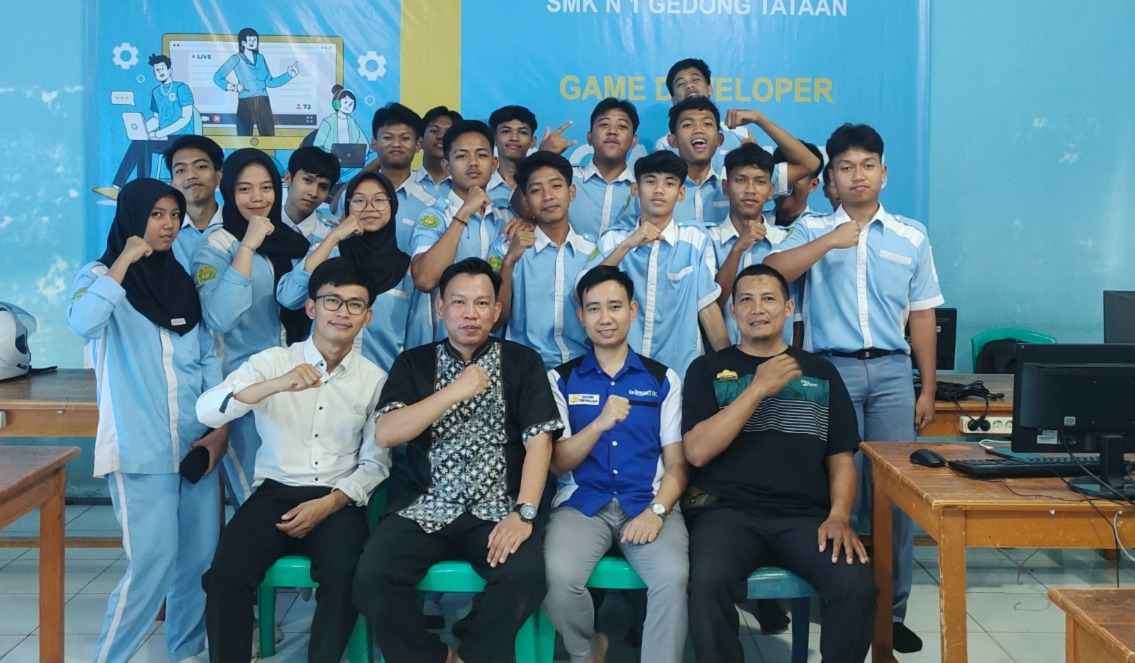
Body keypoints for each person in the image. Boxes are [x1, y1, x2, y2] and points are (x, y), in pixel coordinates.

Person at [764, 123, 944, 654]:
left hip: (892, 374)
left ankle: (891, 613)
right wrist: (829, 241)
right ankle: (839, 601)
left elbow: (923, 316)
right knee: (832, 490)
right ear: (832, 179)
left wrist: (927, 388)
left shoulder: (911, 235)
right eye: (845, 167)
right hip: (829, 372)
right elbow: (770, 271)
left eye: (867, 166)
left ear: (883, 173)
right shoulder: (813, 226)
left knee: (894, 495)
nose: (857, 175)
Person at [352, 257, 563, 663]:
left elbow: (540, 442)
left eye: (482, 303)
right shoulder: (414, 363)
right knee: (371, 577)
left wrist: (524, 513)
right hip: (425, 506)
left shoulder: (523, 362)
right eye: (459, 302)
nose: (471, 313)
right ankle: (435, 658)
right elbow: (388, 432)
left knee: (525, 577)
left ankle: (473, 656)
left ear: (496, 311)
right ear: (440, 308)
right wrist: (453, 391)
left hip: (497, 508)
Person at [683, 263, 877, 663]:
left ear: (788, 308)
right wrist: (757, 388)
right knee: (706, 583)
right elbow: (697, 452)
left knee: (856, 586)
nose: (757, 309)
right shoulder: (706, 370)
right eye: (746, 300)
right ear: (732, 311)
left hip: (804, 517)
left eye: (768, 299)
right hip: (726, 513)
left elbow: (841, 458)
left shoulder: (821, 372)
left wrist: (839, 515)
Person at [198, 258, 390, 663]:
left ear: (367, 317)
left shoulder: (374, 380)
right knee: (225, 575)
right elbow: (208, 410)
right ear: (311, 307)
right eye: (332, 301)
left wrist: (331, 503)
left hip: (336, 499)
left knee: (346, 574)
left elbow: (376, 464)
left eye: (355, 304)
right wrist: (274, 385)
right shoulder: (272, 362)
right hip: (274, 493)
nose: (342, 312)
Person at [67, 178, 227, 663]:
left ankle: (186, 653)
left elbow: (205, 358)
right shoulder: (99, 275)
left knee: (198, 562)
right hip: (141, 450)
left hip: (195, 447)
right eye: (157, 214)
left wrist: (218, 429)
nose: (168, 224)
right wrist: (124, 262)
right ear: (133, 218)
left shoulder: (179, 280)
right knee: (152, 565)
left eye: (174, 215)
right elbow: (84, 323)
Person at [544, 265, 689, 663]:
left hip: (646, 502)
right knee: (558, 577)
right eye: (593, 309)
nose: (604, 318)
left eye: (614, 306)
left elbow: (677, 466)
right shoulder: (561, 379)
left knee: (672, 578)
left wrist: (657, 512)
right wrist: (599, 424)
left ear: (632, 310)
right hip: (581, 504)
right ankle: (586, 651)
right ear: (581, 316)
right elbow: (558, 462)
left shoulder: (663, 379)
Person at [192, 148, 310, 504]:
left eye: (266, 187)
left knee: (296, 493)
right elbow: (220, 316)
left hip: (295, 385)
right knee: (254, 499)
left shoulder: (292, 241)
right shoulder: (216, 246)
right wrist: (247, 246)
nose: (257, 198)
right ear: (228, 191)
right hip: (244, 389)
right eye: (244, 189)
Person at [591, 150, 729, 378]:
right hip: (620, 373)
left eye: (669, 183)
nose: (659, 190)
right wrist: (627, 245)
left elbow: (706, 306)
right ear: (635, 189)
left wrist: (731, 366)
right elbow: (583, 292)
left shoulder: (695, 239)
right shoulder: (613, 240)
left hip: (681, 373)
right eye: (650, 181)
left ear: (681, 193)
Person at [278, 172, 426, 371]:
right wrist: (333, 237)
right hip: (319, 377)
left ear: (393, 206)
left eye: (379, 200)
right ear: (347, 207)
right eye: (358, 200)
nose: (369, 207)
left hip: (384, 379)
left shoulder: (407, 270)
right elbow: (290, 298)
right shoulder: (328, 253)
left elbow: (418, 340)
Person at [488, 151, 595, 369]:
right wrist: (508, 263)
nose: (548, 196)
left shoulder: (592, 251)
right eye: (536, 190)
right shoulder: (505, 248)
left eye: (556, 186)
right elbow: (493, 320)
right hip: (524, 369)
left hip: (582, 369)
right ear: (525, 201)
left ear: (571, 192)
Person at [409, 120, 515, 329]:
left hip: (493, 340)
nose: (473, 163)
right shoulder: (436, 217)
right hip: (442, 341)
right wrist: (464, 212)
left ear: (494, 164)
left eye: (481, 155)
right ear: (446, 166)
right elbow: (425, 280)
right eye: (461, 156)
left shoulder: (507, 218)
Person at [709, 143, 803, 348]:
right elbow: (712, 304)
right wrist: (737, 249)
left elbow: (797, 313)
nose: (750, 190)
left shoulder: (787, 240)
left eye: (760, 181)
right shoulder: (707, 239)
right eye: (740, 180)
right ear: (725, 187)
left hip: (779, 358)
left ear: (771, 190)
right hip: (722, 358)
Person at [93, 54, 197, 201]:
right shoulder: (156, 92)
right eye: (156, 70)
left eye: (162, 69)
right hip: (164, 137)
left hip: (182, 138)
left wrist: (160, 133)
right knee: (141, 141)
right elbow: (156, 119)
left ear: (170, 70)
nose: (159, 72)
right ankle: (121, 188)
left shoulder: (181, 88)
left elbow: (185, 119)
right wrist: (144, 129)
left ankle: (138, 187)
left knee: (144, 143)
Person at [358, 102, 439, 252]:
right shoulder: (354, 197)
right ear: (374, 143)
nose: (396, 144)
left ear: (418, 145)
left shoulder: (432, 202)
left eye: (405, 138)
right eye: (388, 137)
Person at [652, 58, 746, 172]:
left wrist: (758, 119)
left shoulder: (740, 135)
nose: (689, 86)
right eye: (681, 83)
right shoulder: (664, 145)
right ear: (674, 100)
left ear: (709, 89)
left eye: (695, 79)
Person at [569, 97, 639, 238]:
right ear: (589, 138)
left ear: (633, 141)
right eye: (604, 125)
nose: (612, 131)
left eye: (622, 126)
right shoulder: (567, 179)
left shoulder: (641, 189)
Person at [213, 27, 299, 137]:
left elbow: (270, 82)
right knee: (243, 136)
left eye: (255, 40)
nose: (254, 42)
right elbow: (218, 77)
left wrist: (289, 75)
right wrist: (233, 87)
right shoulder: (236, 58)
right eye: (250, 40)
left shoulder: (260, 58)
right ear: (243, 43)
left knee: (268, 136)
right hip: (245, 102)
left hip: (263, 101)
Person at [164, 134, 224, 259]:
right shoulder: (162, 232)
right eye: (181, 170)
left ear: (218, 177)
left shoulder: (238, 227)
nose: (191, 175)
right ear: (172, 184)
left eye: (201, 167)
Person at [282, 146, 340, 243]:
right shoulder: (261, 224)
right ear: (288, 178)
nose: (314, 193)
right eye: (308, 180)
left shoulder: (336, 232)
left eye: (323, 187)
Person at [486, 105, 539, 210]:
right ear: (494, 139)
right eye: (506, 131)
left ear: (532, 141)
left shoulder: (539, 184)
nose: (514, 138)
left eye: (522, 132)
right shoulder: (482, 185)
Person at [766, 142, 825, 228]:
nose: (786, 183)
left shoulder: (823, 228)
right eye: (782, 176)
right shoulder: (752, 221)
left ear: (813, 185)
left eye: (795, 176)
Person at [412, 106, 463, 202]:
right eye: (434, 131)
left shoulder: (467, 187)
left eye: (448, 132)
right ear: (420, 141)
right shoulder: (404, 182)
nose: (441, 136)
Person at [313, 85, 368, 153]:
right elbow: (317, 146)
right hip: (330, 158)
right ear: (337, 103)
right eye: (345, 102)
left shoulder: (352, 122)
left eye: (351, 103)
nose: (348, 106)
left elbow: (365, 145)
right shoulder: (328, 122)